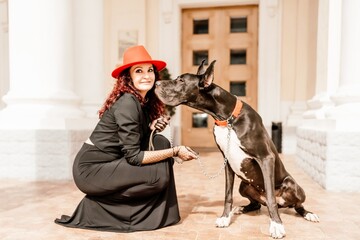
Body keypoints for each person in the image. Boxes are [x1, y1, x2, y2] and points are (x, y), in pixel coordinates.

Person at [55, 45, 198, 232]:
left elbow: (135, 141)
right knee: (157, 176)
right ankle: (104, 210)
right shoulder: (128, 102)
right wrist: (176, 151)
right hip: (91, 171)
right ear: (128, 77)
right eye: (139, 71)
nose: (146, 75)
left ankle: (153, 214)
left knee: (160, 144)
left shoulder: (141, 102)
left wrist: (151, 127)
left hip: (110, 164)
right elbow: (134, 157)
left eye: (150, 70)